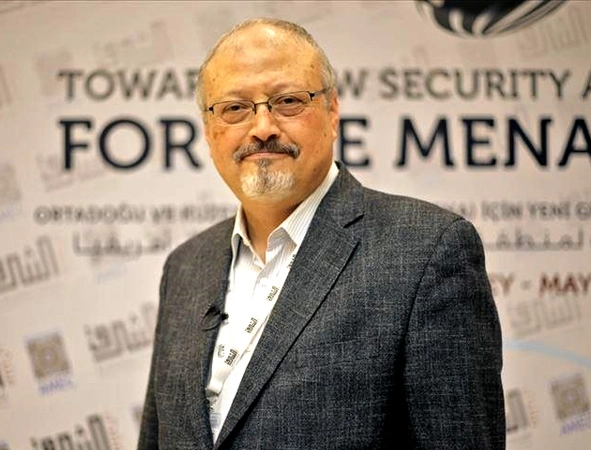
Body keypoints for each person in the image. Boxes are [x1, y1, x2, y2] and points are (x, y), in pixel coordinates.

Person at [138, 17, 505, 450]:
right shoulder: (185, 267)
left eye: (288, 101)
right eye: (235, 108)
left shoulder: (427, 251)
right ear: (207, 129)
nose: (262, 127)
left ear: (332, 112)